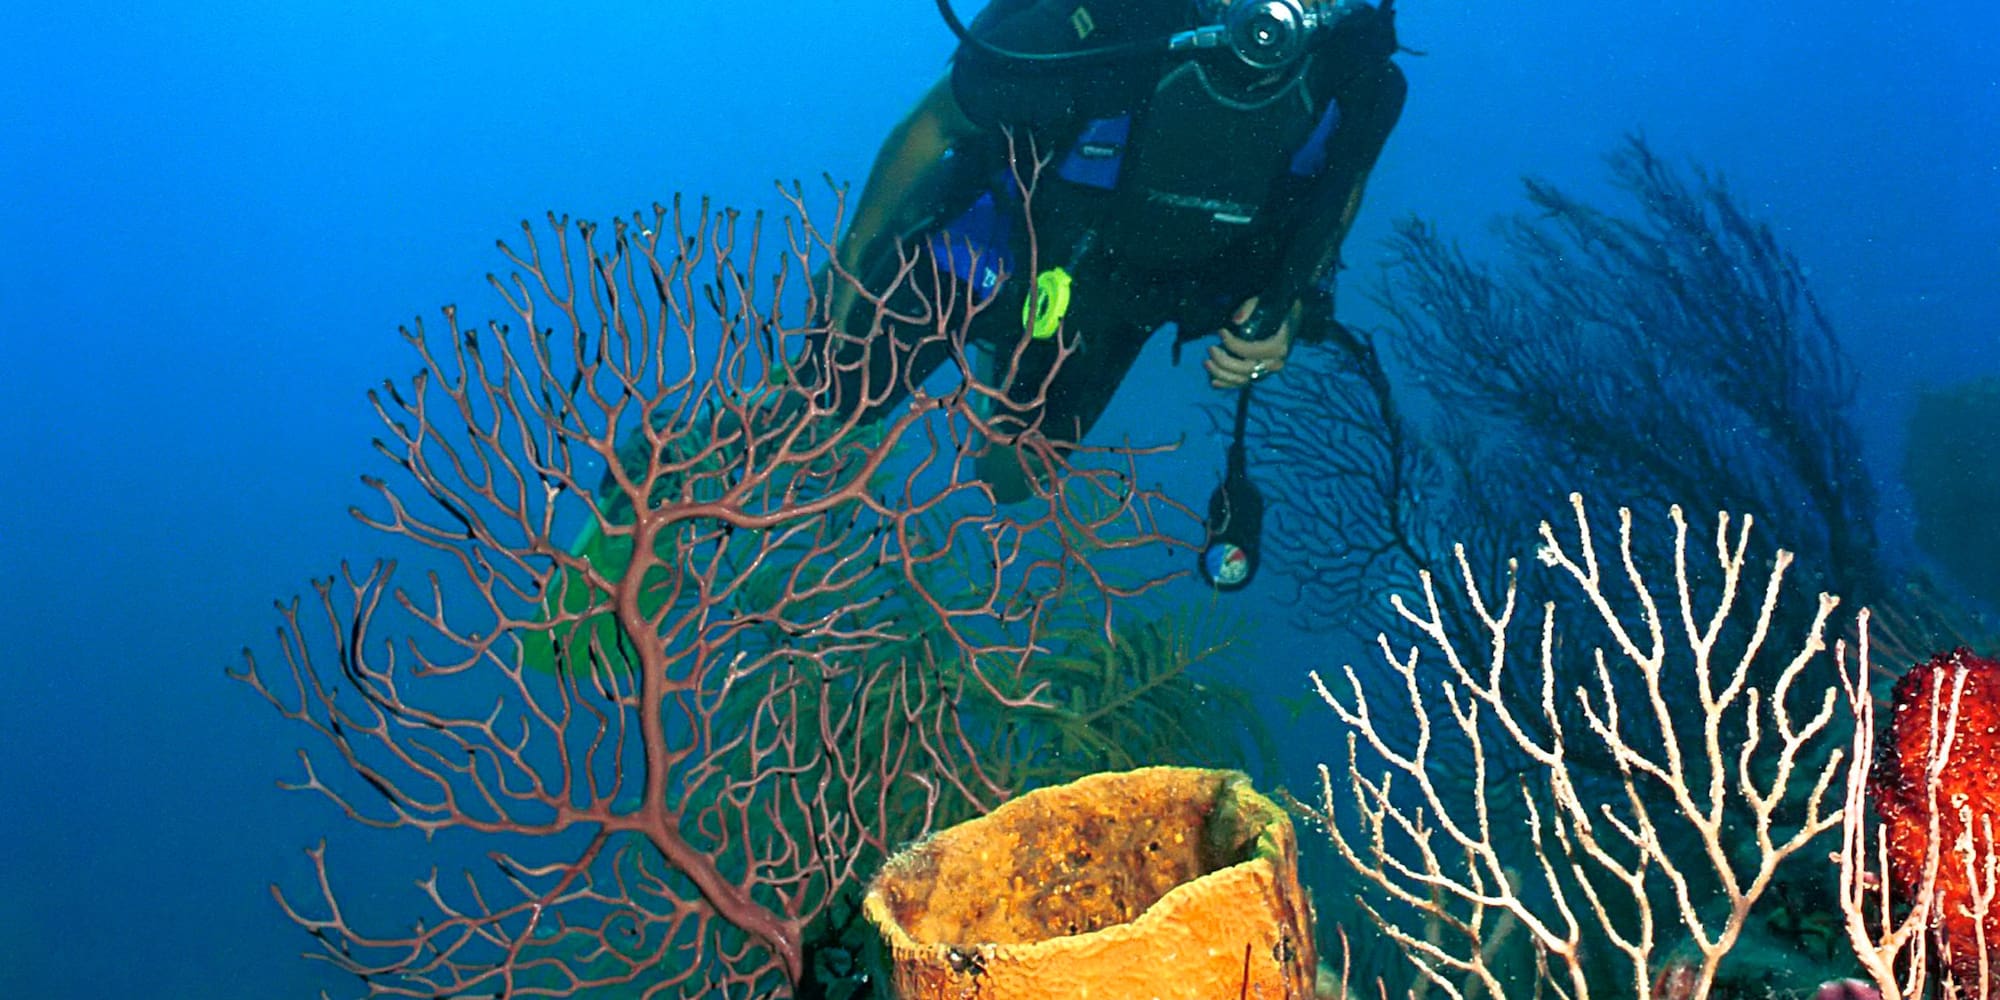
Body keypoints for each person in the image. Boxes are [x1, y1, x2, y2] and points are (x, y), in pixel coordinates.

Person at [811, 0, 1407, 500]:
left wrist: (1293, 300)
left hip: (1127, 290)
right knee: (834, 396)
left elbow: (1339, 190)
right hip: (1002, 234)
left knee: (1011, 482)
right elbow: (937, 122)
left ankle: (1012, 360)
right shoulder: (1114, 20)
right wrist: (854, 256)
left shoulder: (1358, 79)